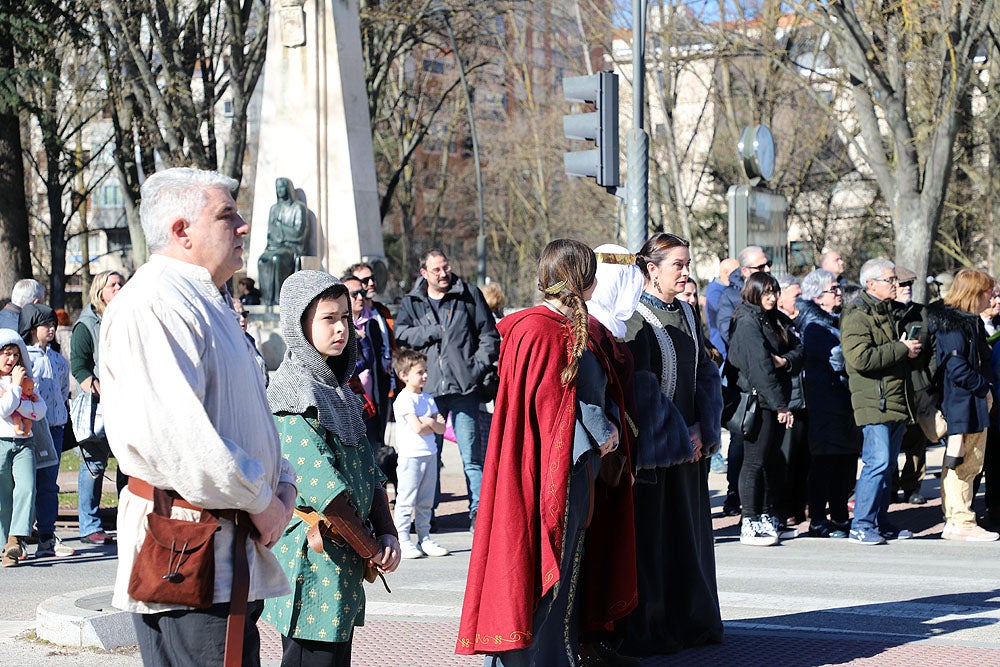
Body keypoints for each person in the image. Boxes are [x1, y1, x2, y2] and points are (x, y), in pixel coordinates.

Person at [100, 167, 297, 666]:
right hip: (187, 556)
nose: (243, 227)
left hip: (227, 553)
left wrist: (283, 486)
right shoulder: (154, 302)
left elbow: (247, 415)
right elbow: (181, 438)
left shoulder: (204, 298)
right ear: (181, 230)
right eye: (226, 215)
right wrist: (262, 501)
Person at [458, 239, 636, 665]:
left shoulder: (563, 325)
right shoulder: (539, 329)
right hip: (549, 473)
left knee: (563, 571)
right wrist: (602, 429)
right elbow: (551, 405)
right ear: (584, 279)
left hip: (572, 467)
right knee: (542, 570)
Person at [262, 270, 400, 665]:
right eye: (328, 318)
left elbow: (371, 473)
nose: (342, 327)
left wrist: (387, 533)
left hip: (345, 563)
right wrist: (374, 550)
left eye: (344, 316)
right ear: (299, 324)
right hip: (313, 567)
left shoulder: (339, 391)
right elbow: (327, 492)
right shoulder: (293, 395)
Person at [622, 232, 723, 655]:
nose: (685, 272)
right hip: (656, 454)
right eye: (676, 265)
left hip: (690, 450)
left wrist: (703, 427)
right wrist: (677, 436)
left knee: (691, 541)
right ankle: (655, 628)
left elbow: (704, 374)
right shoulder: (635, 317)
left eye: (687, 263)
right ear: (651, 270)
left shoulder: (686, 311)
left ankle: (693, 622)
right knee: (656, 544)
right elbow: (640, 392)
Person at [395, 249, 500, 532]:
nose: (444, 274)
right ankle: (429, 516)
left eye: (446, 267)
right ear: (424, 273)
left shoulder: (468, 294)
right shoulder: (412, 302)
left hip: (465, 387)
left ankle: (478, 511)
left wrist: (475, 367)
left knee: (471, 456)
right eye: (437, 270)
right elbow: (402, 334)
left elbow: (489, 335)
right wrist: (431, 331)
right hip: (428, 389)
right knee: (430, 455)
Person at [841, 258, 921, 545]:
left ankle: (879, 521)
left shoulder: (887, 311)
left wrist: (905, 349)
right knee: (877, 463)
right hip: (875, 400)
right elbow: (859, 358)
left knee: (887, 467)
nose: (896, 285)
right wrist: (900, 348)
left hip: (894, 398)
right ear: (871, 283)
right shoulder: (857, 314)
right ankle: (861, 525)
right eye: (890, 280)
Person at [727, 272, 804, 546]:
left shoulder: (772, 318)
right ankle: (750, 519)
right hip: (757, 402)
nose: (771, 298)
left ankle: (769, 515)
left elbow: (799, 349)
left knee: (772, 461)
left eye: (774, 292)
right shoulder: (748, 321)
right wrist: (780, 405)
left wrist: (785, 361)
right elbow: (759, 368)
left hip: (772, 399)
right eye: (766, 293)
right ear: (753, 292)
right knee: (754, 462)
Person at [929, 270, 998, 541]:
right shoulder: (954, 325)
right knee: (962, 463)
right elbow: (956, 367)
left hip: (970, 401)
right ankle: (959, 520)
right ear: (973, 294)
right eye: (987, 292)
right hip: (962, 403)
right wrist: (984, 388)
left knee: (968, 461)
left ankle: (957, 517)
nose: (991, 296)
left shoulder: (970, 322)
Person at [797, 270, 860, 538]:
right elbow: (839, 359)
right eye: (833, 289)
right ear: (817, 296)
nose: (838, 294)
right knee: (825, 463)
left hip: (841, 400)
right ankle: (819, 519)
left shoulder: (835, 321)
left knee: (844, 461)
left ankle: (840, 516)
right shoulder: (813, 326)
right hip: (824, 401)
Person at [716, 246, 772, 517]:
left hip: (767, 377)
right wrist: (761, 352)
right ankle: (734, 494)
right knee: (742, 438)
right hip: (741, 380)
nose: (767, 271)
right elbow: (730, 334)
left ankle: (763, 502)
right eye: (761, 267)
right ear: (746, 270)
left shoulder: (767, 291)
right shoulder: (730, 296)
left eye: (768, 265)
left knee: (763, 448)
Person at [70, 269, 125, 545]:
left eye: (120, 283)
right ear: (99, 291)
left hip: (127, 403)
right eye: (112, 284)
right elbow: (78, 366)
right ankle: (89, 526)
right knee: (93, 464)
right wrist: (100, 390)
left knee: (130, 461)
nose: (118, 287)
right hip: (99, 407)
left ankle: (128, 520)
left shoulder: (127, 316)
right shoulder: (87, 324)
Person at [19, 304, 75, 558]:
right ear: (33, 329)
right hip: (32, 429)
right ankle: (19, 536)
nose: (51, 329)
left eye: (53, 325)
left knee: (49, 485)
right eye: (46, 325)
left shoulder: (58, 359)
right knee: (26, 483)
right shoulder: (25, 358)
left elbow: (64, 391)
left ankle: (46, 536)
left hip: (55, 428)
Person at [391, 348, 449, 559]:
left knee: (426, 500)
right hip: (410, 456)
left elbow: (441, 428)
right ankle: (403, 538)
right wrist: (431, 423)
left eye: (425, 371)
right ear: (404, 375)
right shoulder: (404, 399)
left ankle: (425, 537)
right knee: (406, 498)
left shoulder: (428, 399)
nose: (425, 375)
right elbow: (417, 428)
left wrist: (430, 422)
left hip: (430, 454)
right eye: (419, 372)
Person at [0, 330, 46, 567]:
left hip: (24, 443)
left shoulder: (25, 379)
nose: (12, 360)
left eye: (15, 355)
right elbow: (4, 410)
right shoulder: (15, 383)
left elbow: (40, 411)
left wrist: (19, 391)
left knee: (27, 488)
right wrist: (17, 390)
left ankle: (15, 540)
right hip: (1, 443)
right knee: (3, 495)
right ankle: (3, 545)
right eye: (7, 354)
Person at [893, 267, 933, 506]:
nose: (907, 288)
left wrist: (929, 376)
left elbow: (934, 348)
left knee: (917, 440)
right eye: (902, 284)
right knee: (891, 438)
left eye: (910, 284)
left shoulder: (921, 312)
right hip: (894, 385)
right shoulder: (887, 314)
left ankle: (912, 486)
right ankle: (889, 486)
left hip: (919, 383)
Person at [347, 262, 396, 451]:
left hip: (377, 391)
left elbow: (378, 354)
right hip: (354, 395)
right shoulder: (341, 325)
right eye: (363, 281)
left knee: (377, 445)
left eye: (371, 279)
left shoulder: (378, 315)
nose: (369, 285)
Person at [257, 177, 310, 305]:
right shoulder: (274, 209)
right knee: (262, 261)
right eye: (277, 188)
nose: (280, 190)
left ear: (288, 188)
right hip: (275, 246)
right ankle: (267, 299)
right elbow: (270, 232)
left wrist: (280, 227)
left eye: (282, 187)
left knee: (277, 259)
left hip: (292, 247)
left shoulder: (298, 207)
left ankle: (280, 299)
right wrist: (277, 238)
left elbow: (299, 233)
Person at [705, 258, 739, 357]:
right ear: (726, 272)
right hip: (722, 347)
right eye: (737, 271)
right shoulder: (715, 291)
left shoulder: (729, 288)